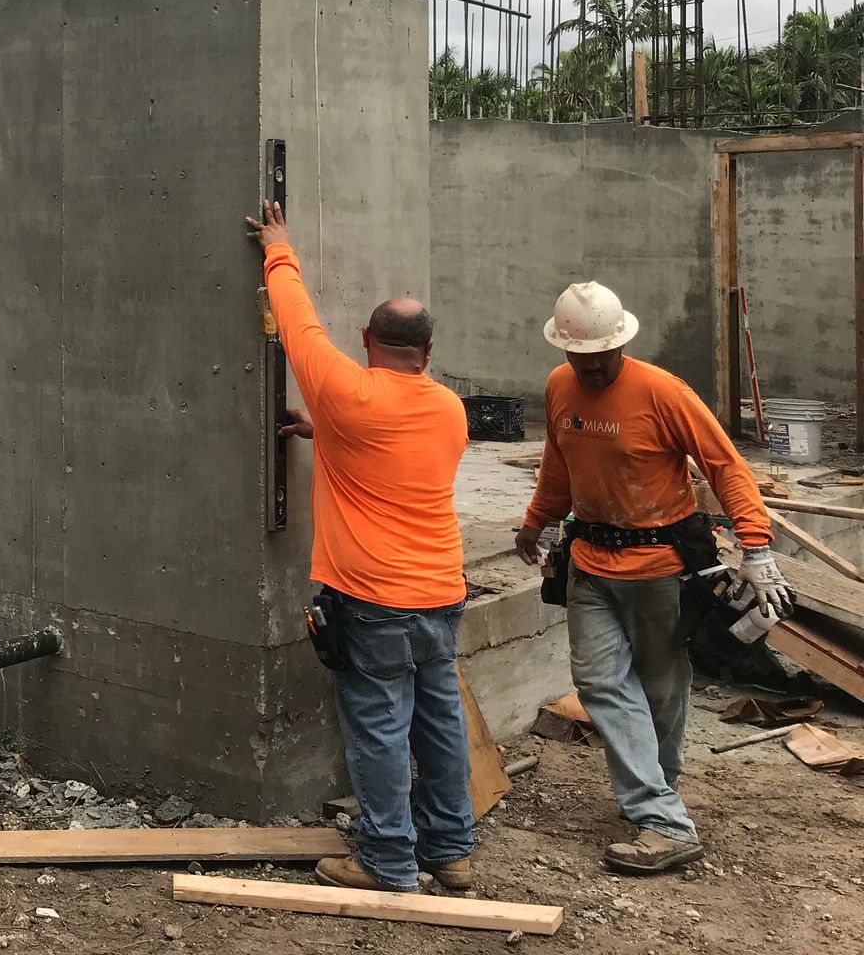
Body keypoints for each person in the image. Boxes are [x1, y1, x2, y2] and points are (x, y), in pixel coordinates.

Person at [514, 281, 793, 875]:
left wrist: (757, 545)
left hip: (661, 567)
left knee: (663, 690)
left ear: (621, 343)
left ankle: (655, 794)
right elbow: (557, 465)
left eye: (601, 357)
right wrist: (535, 523)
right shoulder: (559, 388)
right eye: (579, 357)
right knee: (598, 683)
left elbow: (725, 466)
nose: (590, 368)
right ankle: (662, 816)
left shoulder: (663, 392)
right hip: (589, 561)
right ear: (564, 350)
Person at [245, 199, 474, 894]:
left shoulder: (348, 391)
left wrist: (277, 246)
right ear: (428, 353)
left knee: (377, 729)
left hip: (373, 600)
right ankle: (451, 851)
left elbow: (296, 320)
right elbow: (395, 453)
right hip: (441, 594)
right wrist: (328, 433)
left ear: (366, 337)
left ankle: (386, 860)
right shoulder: (448, 407)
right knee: (439, 723)